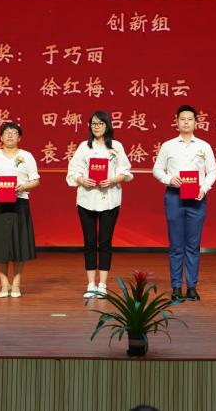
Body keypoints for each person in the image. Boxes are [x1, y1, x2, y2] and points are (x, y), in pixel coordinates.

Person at [151, 104, 216, 301]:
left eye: (190, 119)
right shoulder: (168, 146)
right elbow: (157, 169)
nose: (186, 122)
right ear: (177, 121)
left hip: (197, 198)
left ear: (196, 122)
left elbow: (212, 171)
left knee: (193, 244)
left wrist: (204, 188)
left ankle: (192, 287)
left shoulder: (204, 146)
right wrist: (169, 179)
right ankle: (176, 287)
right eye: (182, 119)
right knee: (176, 244)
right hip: (174, 197)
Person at [67, 111, 133, 299]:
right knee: (89, 242)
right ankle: (91, 284)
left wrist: (113, 180)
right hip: (87, 200)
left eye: (100, 123)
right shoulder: (84, 147)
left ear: (107, 125)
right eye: (93, 124)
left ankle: (102, 284)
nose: (96, 127)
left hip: (110, 199)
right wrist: (82, 179)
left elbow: (125, 171)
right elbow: (73, 171)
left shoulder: (116, 146)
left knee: (105, 241)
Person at [0, 121, 40, 298]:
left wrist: (23, 187)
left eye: (14, 132)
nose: (10, 135)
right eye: (6, 132)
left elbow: (35, 180)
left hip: (19, 203)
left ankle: (16, 284)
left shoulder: (27, 156)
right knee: (0, 245)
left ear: (19, 137)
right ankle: (4, 284)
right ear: (1, 137)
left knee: (19, 244)